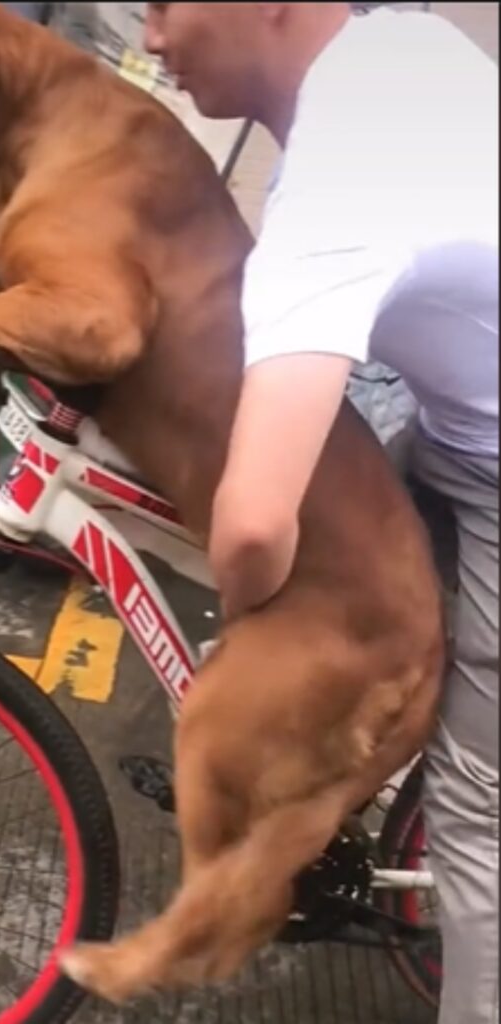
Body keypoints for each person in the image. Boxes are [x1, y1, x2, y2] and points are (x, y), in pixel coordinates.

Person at [144, 4, 498, 1023]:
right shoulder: (399, 46)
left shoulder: (341, 174)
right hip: (458, 436)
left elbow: (252, 526)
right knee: (354, 565)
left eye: (167, 3)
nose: (153, 37)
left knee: (478, 816)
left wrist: (240, 636)